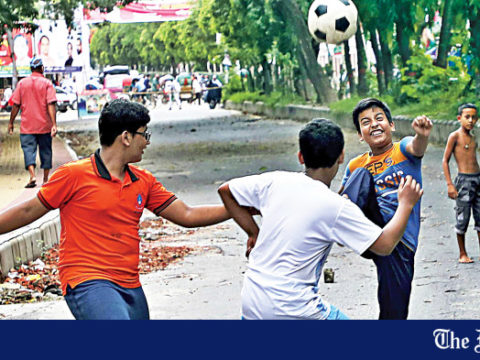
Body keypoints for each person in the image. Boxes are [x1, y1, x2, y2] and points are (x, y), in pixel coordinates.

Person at [0, 99, 230, 320]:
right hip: (87, 281)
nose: (147, 142)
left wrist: (240, 208)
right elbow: (27, 211)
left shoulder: (143, 181)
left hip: (130, 285)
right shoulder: (74, 175)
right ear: (126, 137)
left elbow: (187, 215)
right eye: (144, 134)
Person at [218, 118, 423, 320]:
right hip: (295, 311)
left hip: (252, 304)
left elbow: (226, 190)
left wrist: (253, 233)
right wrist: (405, 204)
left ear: (300, 157)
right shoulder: (335, 206)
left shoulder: (275, 181)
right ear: (341, 157)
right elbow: (385, 245)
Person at [338, 98, 433, 319]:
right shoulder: (356, 165)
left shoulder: (402, 150)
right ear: (361, 135)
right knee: (360, 175)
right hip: (370, 231)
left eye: (379, 118)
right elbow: (342, 196)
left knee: (393, 307)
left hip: (401, 242)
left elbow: (416, 147)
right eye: (366, 122)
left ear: (391, 125)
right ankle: (343, 230)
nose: (374, 124)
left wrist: (422, 135)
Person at [8, 57, 57, 188]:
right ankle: (46, 179)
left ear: (31, 69)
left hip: (27, 127)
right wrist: (54, 124)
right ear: (42, 68)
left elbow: (16, 105)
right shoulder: (47, 84)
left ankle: (32, 175)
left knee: (28, 151)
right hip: (44, 126)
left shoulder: (22, 84)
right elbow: (51, 104)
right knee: (46, 151)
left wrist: (11, 122)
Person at [442, 103, 480, 263]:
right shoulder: (455, 136)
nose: (470, 120)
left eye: (473, 117)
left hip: (478, 179)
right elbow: (445, 160)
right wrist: (450, 184)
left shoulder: (473, 137)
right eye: (467, 117)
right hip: (464, 181)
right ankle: (462, 253)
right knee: (462, 218)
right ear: (459, 118)